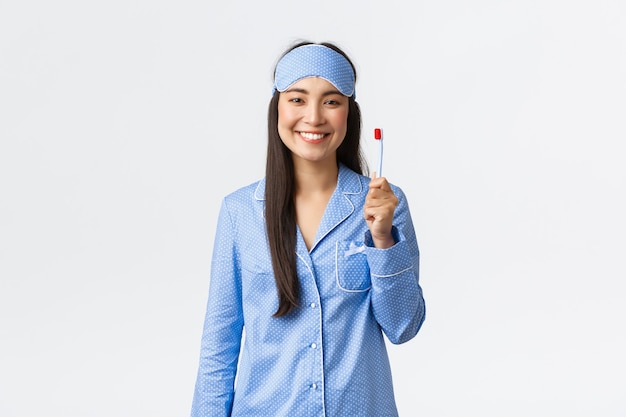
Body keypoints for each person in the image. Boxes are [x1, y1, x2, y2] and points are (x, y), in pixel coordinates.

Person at [191, 41, 425, 417]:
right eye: (297, 99)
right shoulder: (239, 213)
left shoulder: (384, 205)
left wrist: (382, 240)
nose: (314, 117)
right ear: (277, 109)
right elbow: (219, 346)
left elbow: (403, 326)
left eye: (331, 101)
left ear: (349, 113)